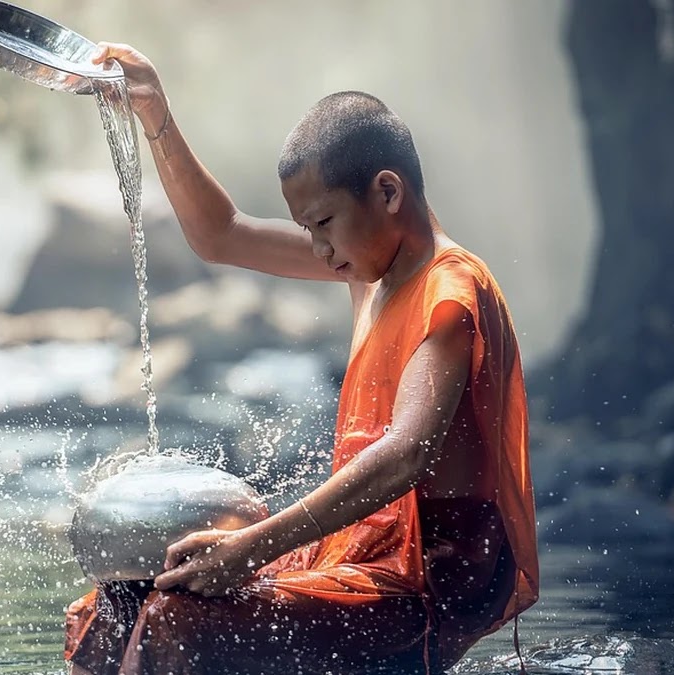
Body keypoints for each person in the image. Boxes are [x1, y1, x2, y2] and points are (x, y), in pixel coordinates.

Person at [63, 43, 539, 675]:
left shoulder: (449, 291)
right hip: (351, 555)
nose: (316, 248)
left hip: (417, 591)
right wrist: (156, 115)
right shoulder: (369, 270)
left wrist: (249, 549)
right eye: (306, 229)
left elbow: (407, 453)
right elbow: (221, 235)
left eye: (323, 223)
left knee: (174, 615)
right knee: (118, 600)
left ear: (388, 193)